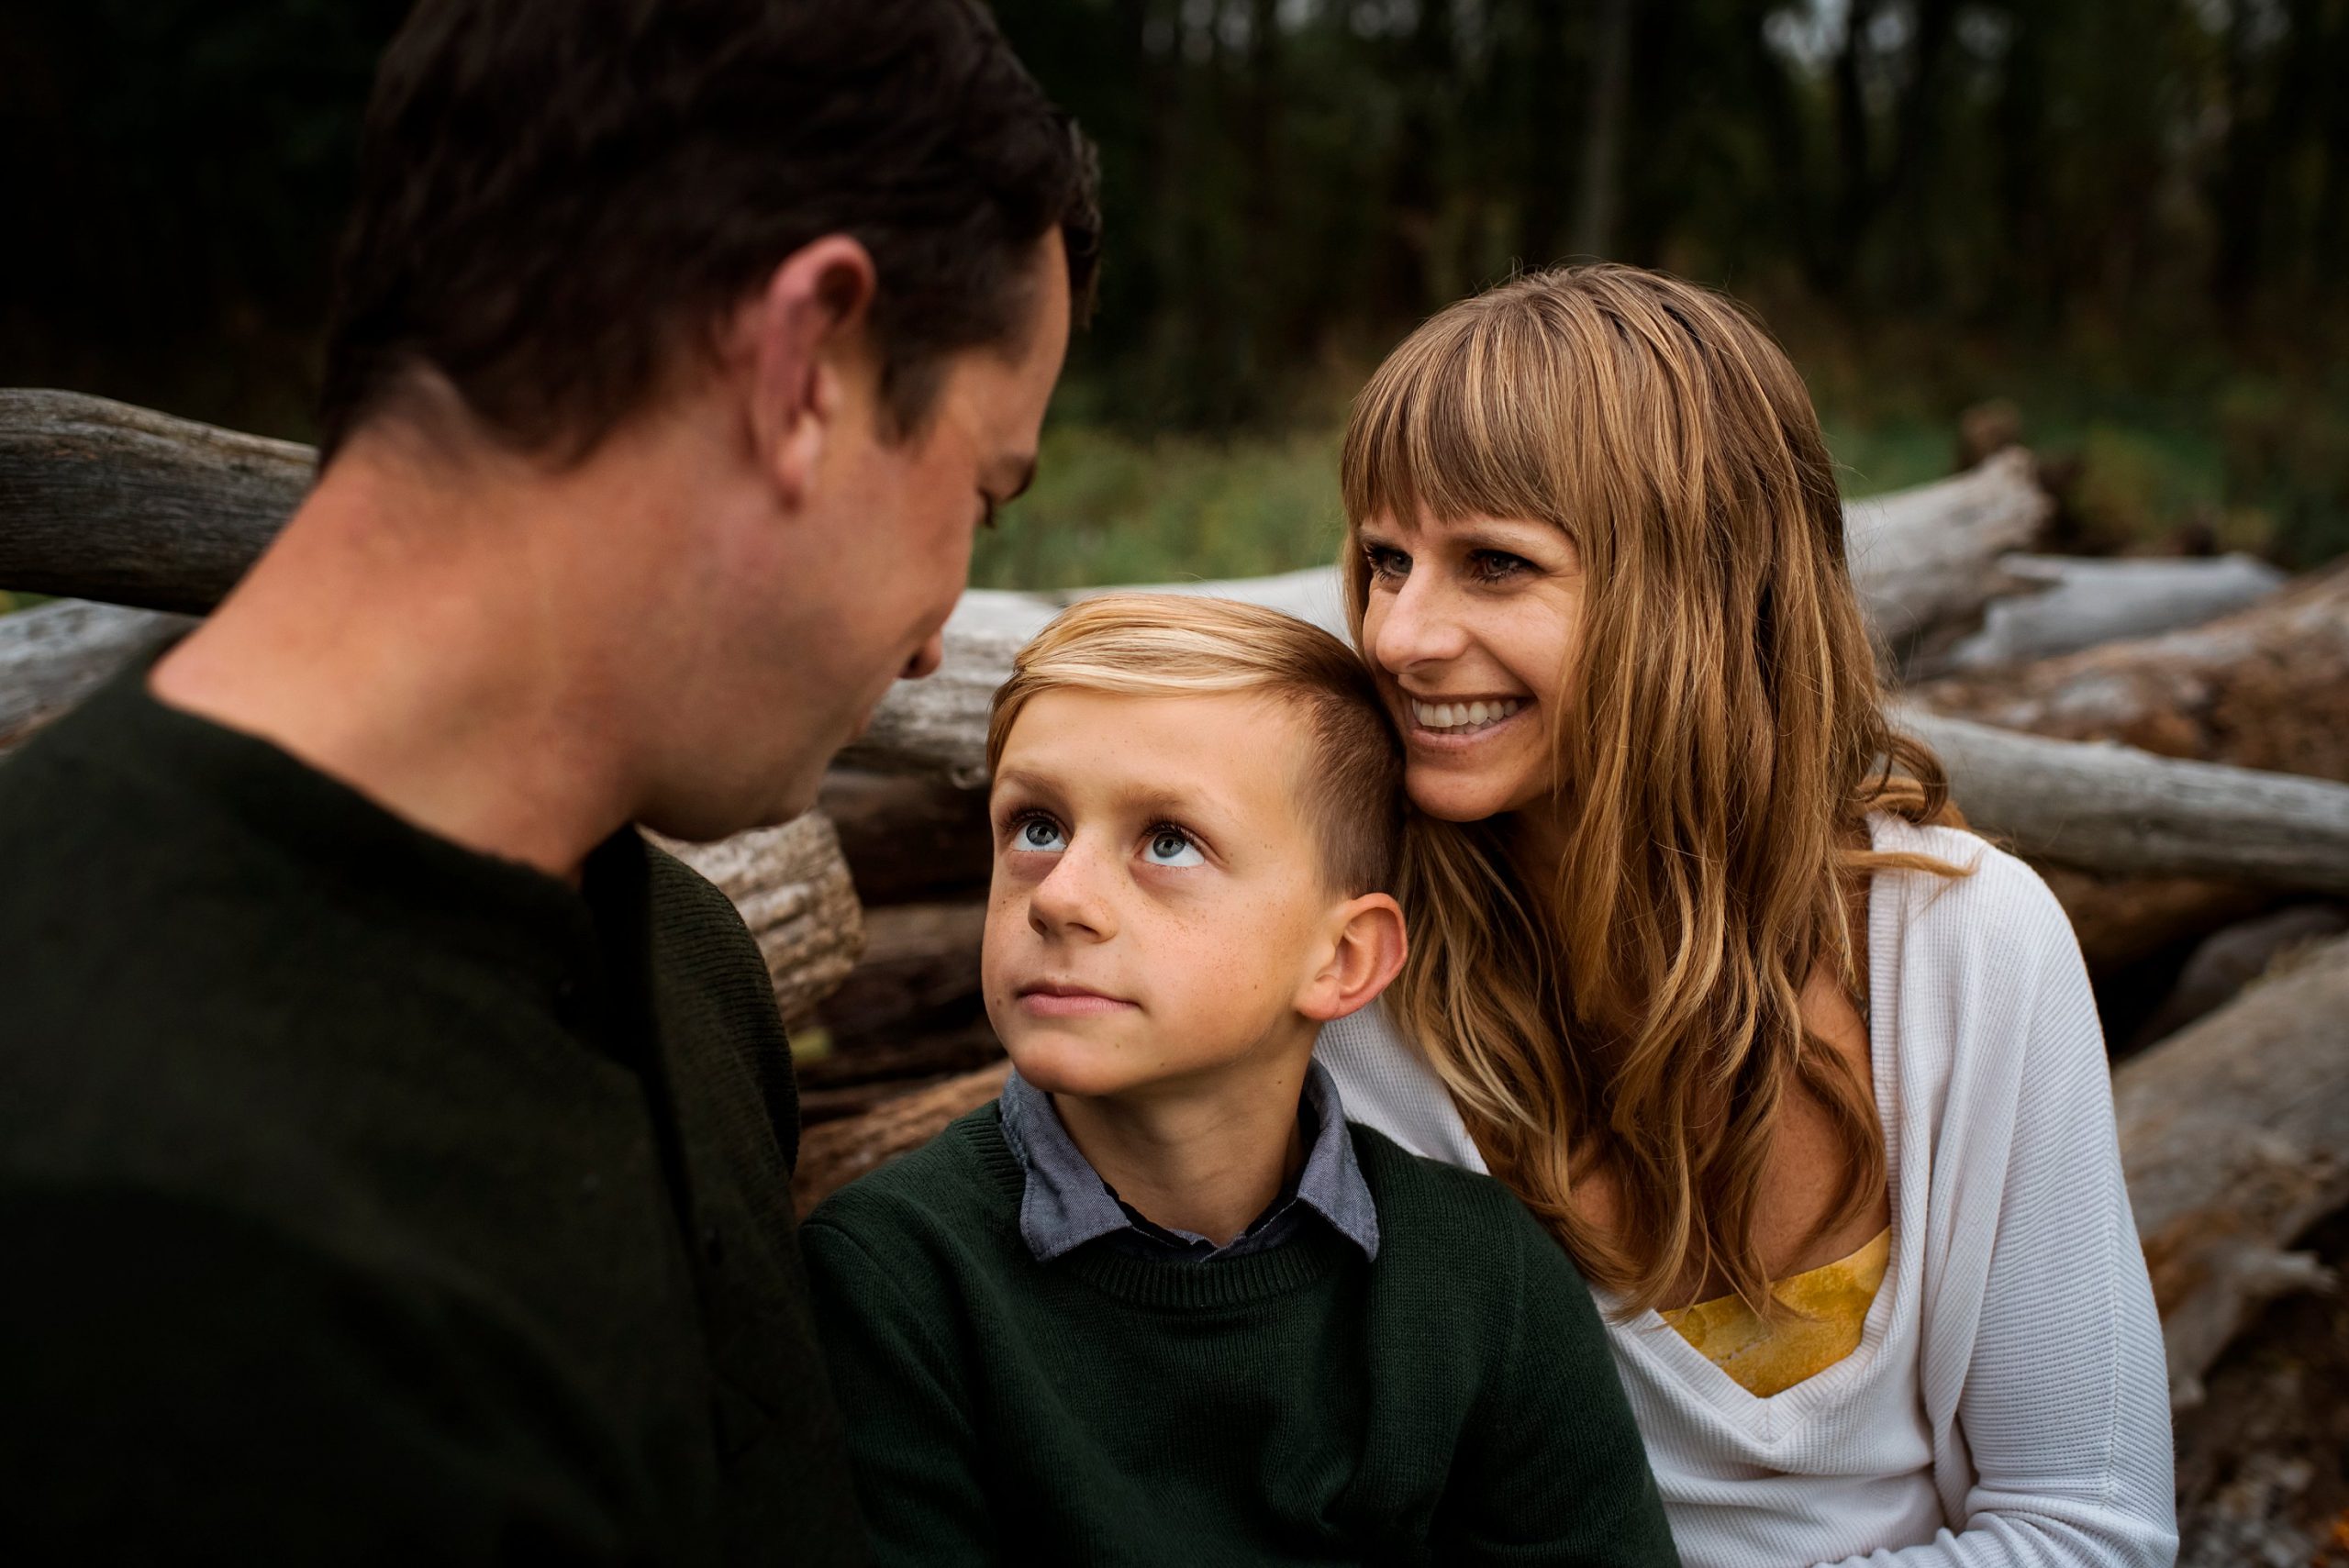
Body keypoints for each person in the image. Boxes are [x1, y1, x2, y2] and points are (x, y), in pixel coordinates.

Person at [0, 0, 1097, 1560]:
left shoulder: (690, 968)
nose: (938, 635)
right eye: (982, 490)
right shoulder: (99, 1188)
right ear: (804, 366)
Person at [1314, 266, 2179, 1568]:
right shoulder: (1359, 988)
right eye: (1386, 560)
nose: (1400, 633)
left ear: (1704, 593)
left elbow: (2091, 1530)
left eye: (1494, 562)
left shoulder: (1968, 948)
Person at [797, 594, 1678, 1568]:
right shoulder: (893, 1280)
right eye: (1037, 826)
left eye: (1168, 840)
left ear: (1344, 958)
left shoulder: (1481, 1280)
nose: (1061, 896)